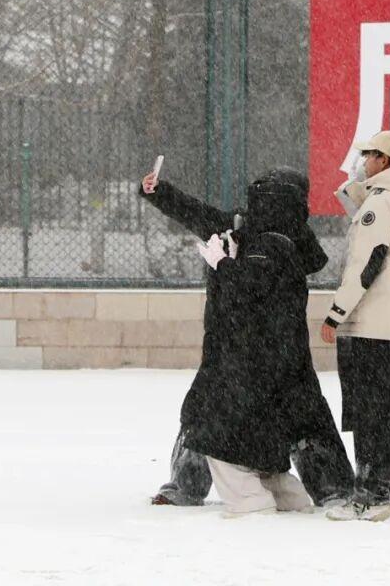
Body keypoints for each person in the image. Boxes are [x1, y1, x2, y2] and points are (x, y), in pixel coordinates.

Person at [140, 167, 353, 508]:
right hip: (233, 344)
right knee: (206, 409)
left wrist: (227, 263)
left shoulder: (285, 241)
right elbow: (196, 213)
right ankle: (186, 485)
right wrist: (159, 192)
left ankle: (333, 489)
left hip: (269, 347)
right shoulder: (242, 229)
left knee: (299, 415)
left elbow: (254, 286)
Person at [183, 176, 317, 516]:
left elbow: (249, 287)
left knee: (212, 430)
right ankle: (287, 495)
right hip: (274, 357)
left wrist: (223, 264)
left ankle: (248, 500)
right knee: (261, 433)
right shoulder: (288, 241)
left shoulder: (267, 245)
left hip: (254, 357)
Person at [319, 131, 390, 521]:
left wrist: (337, 312)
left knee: (371, 415)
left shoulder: (383, 202)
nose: (363, 162)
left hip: (372, 324)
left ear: (384, 160)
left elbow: (367, 261)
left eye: (368, 155)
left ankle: (370, 498)